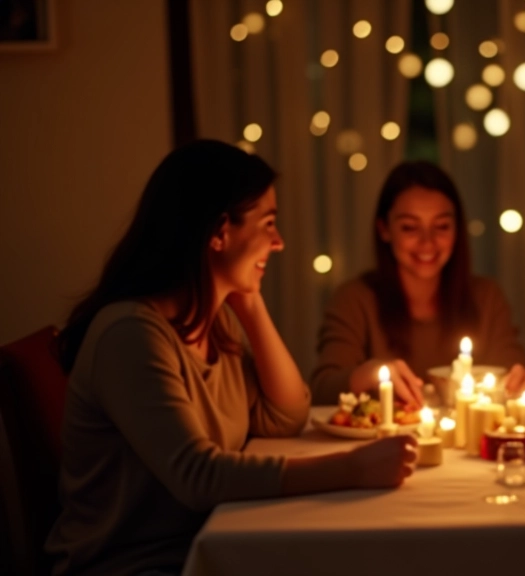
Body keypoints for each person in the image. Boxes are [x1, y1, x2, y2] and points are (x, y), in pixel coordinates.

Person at [46, 141, 417, 576]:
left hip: (206, 541)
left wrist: (251, 305)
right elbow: (198, 476)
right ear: (220, 232)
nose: (278, 243)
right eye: (268, 224)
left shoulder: (213, 323)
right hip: (135, 565)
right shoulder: (131, 334)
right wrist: (352, 467)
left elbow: (286, 415)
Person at [310, 160, 525, 407]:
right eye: (410, 227)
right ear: (384, 229)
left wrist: (521, 381)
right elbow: (323, 389)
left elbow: (513, 369)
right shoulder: (355, 299)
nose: (428, 242)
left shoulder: (486, 297)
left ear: (457, 230)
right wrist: (368, 375)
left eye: (441, 226)